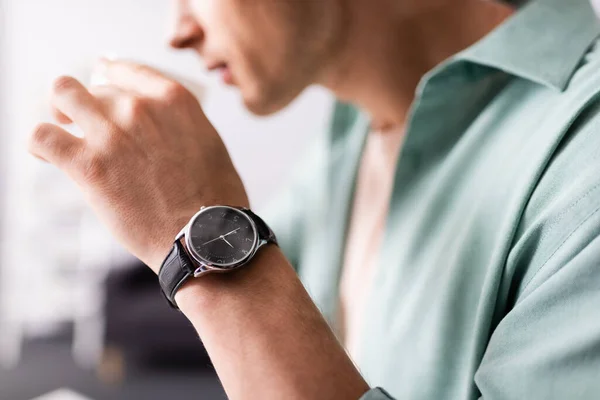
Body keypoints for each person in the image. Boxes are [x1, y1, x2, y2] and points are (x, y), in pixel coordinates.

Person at [27, 0, 600, 398]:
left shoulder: (584, 164)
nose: (177, 33)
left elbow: (238, 268)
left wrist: (192, 217)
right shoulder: (350, 127)